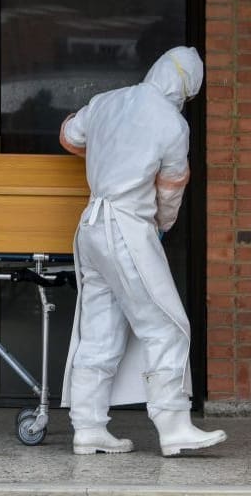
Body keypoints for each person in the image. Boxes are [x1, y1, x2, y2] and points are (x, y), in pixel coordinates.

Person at [59, 46, 227, 457]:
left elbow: (68, 135)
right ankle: (173, 428)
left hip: (90, 226)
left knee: (99, 328)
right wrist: (161, 227)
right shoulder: (172, 123)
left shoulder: (106, 101)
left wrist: (108, 147)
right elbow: (171, 189)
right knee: (167, 325)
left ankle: (89, 427)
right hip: (128, 225)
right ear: (185, 88)